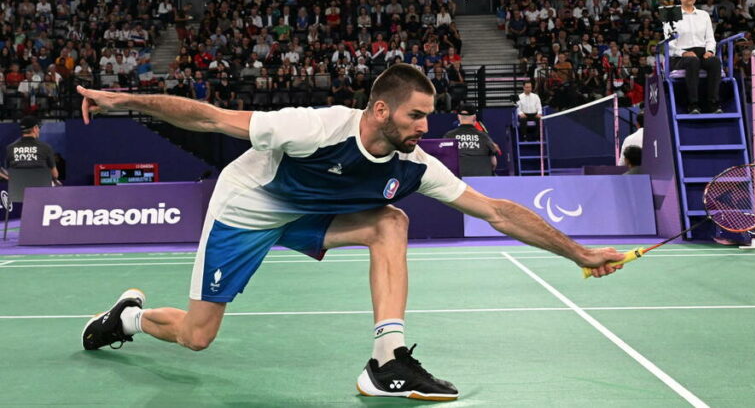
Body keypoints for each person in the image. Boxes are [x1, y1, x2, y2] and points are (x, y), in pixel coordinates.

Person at [76, 64, 624, 402]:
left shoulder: (416, 164)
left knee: (392, 220)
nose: (425, 128)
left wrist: (579, 254)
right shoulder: (314, 127)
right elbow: (211, 117)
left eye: (428, 117)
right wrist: (124, 102)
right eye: (415, 116)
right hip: (246, 209)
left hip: (308, 217)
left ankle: (386, 360)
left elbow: (498, 211)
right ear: (381, 109)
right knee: (198, 336)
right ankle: (128, 318)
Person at [666, 0, 722, 114]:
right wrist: (683, 53)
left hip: (701, 53)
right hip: (679, 57)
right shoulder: (670, 13)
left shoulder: (704, 15)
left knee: (715, 61)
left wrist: (710, 51)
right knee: (692, 61)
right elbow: (668, 43)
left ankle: (713, 103)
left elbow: (710, 39)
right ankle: (693, 104)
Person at [442, 104, 498, 177]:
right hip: (482, 180)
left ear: (458, 117)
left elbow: (443, 161)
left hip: (457, 181)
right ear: (474, 117)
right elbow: (493, 163)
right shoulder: (484, 137)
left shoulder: (448, 136)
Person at [5, 116, 59, 184]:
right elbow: (55, 175)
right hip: (40, 189)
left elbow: (9, 172)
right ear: (35, 128)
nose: (39, 130)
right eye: (38, 128)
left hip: (17, 190)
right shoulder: (46, 148)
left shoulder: (10, 148)